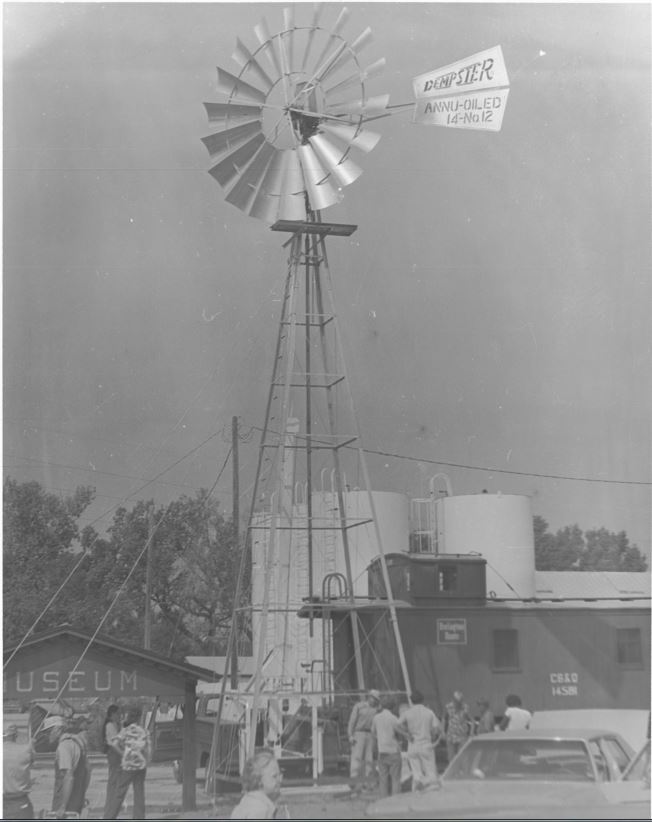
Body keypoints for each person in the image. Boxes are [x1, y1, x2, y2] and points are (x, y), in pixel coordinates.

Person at [104, 707, 151, 819]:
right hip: (140, 765)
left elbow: (114, 743)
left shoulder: (125, 730)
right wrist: (146, 760)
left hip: (128, 765)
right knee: (139, 793)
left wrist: (123, 754)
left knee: (120, 792)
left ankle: (110, 817)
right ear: (139, 719)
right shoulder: (144, 731)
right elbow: (148, 749)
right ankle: (139, 817)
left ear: (129, 718)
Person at [46, 714, 92, 819]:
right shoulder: (78, 744)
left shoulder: (63, 747)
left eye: (48, 732)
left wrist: (63, 806)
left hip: (65, 802)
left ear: (57, 730)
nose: (47, 736)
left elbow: (69, 777)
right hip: (77, 799)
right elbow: (88, 770)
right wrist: (82, 794)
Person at [397, 689, 441, 792]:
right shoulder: (429, 712)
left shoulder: (408, 712)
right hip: (426, 744)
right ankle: (431, 794)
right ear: (422, 700)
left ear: (411, 701)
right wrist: (434, 737)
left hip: (413, 744)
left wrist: (406, 734)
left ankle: (416, 794)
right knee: (431, 772)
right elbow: (436, 729)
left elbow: (397, 724)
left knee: (416, 773)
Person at [230, 748, 283, 819]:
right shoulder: (260, 809)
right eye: (274, 776)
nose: (280, 780)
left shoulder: (247, 802)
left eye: (279, 775)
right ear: (258, 780)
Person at [347, 689, 381, 794]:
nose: (374, 700)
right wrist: (350, 735)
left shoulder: (377, 709)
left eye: (376, 699)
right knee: (356, 759)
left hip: (370, 735)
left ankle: (368, 784)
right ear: (368, 696)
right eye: (373, 698)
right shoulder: (359, 706)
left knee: (369, 760)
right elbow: (352, 721)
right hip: (359, 733)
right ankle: (353, 783)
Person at [371, 696, 403, 798]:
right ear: (393, 707)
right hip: (393, 750)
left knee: (383, 779)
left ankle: (383, 800)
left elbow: (373, 732)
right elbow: (400, 731)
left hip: (382, 751)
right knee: (395, 779)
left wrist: (379, 738)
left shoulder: (376, 718)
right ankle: (395, 800)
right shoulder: (394, 718)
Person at [3, 723, 35, 819]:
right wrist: (31, 745)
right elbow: (32, 760)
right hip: (21, 802)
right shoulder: (25, 750)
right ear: (15, 735)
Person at [101, 704, 123, 818]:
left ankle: (111, 811)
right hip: (114, 754)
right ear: (112, 714)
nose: (120, 715)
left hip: (116, 754)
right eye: (118, 713)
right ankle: (109, 812)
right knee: (113, 783)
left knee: (116, 783)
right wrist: (123, 754)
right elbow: (113, 743)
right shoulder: (110, 725)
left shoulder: (115, 724)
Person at [444, 690, 472, 762]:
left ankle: (463, 772)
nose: (458, 703)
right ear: (453, 700)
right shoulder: (448, 707)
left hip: (462, 735)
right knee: (451, 757)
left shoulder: (465, 707)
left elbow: (472, 721)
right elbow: (444, 719)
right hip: (451, 735)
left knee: (462, 756)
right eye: (456, 701)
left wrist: (471, 733)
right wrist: (443, 732)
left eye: (460, 701)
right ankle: (453, 772)